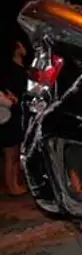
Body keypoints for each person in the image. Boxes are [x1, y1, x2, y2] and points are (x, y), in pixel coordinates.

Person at [1, 41, 29, 195]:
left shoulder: (21, 68)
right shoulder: (11, 70)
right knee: (10, 154)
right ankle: (12, 186)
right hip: (10, 116)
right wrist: (14, 100)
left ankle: (16, 184)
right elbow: (10, 94)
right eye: (21, 45)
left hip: (18, 114)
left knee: (17, 153)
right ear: (17, 49)